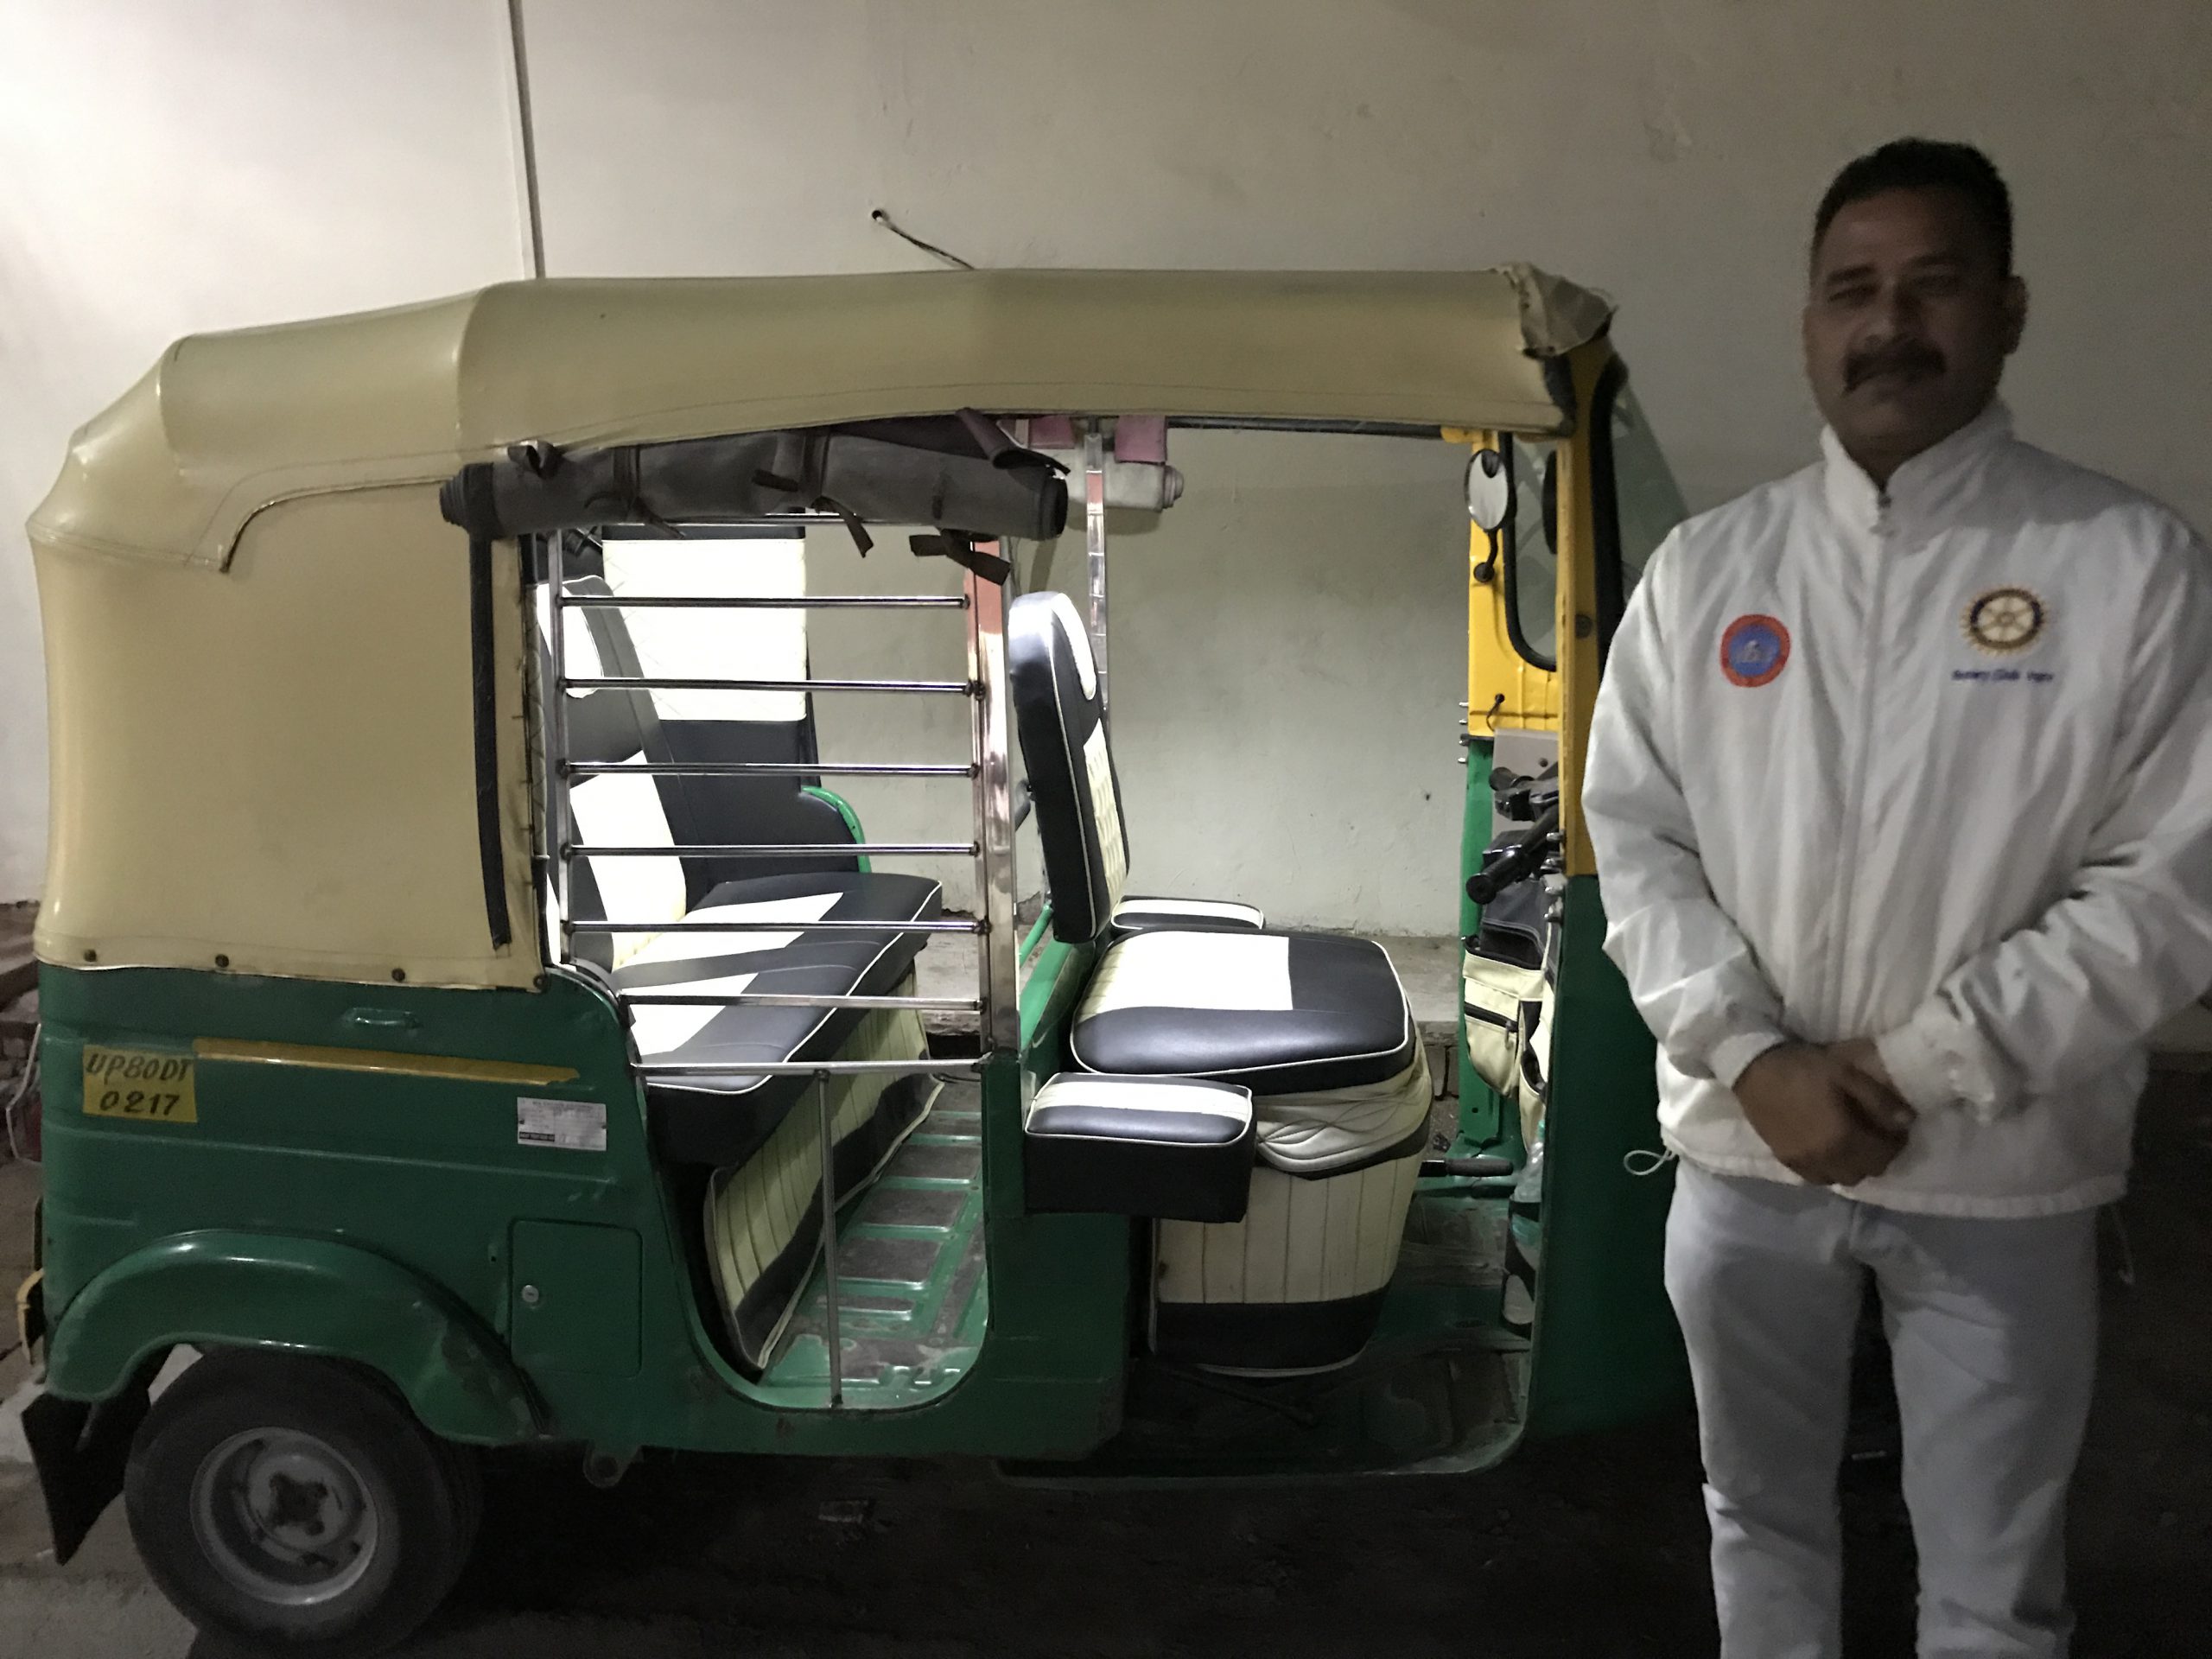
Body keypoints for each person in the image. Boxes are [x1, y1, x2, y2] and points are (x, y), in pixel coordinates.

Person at [1582, 138, 2212, 1658]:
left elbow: (2172, 887)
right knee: (1760, 1521)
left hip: (2001, 1171)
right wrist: (1749, 1057)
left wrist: (1908, 1067)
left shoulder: (2125, 566)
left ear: (2007, 310)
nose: (1889, 324)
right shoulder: (1707, 574)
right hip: (1747, 1165)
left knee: (1995, 1579)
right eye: (1852, 290)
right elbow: (1637, 843)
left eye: (1932, 286)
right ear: (1807, 324)